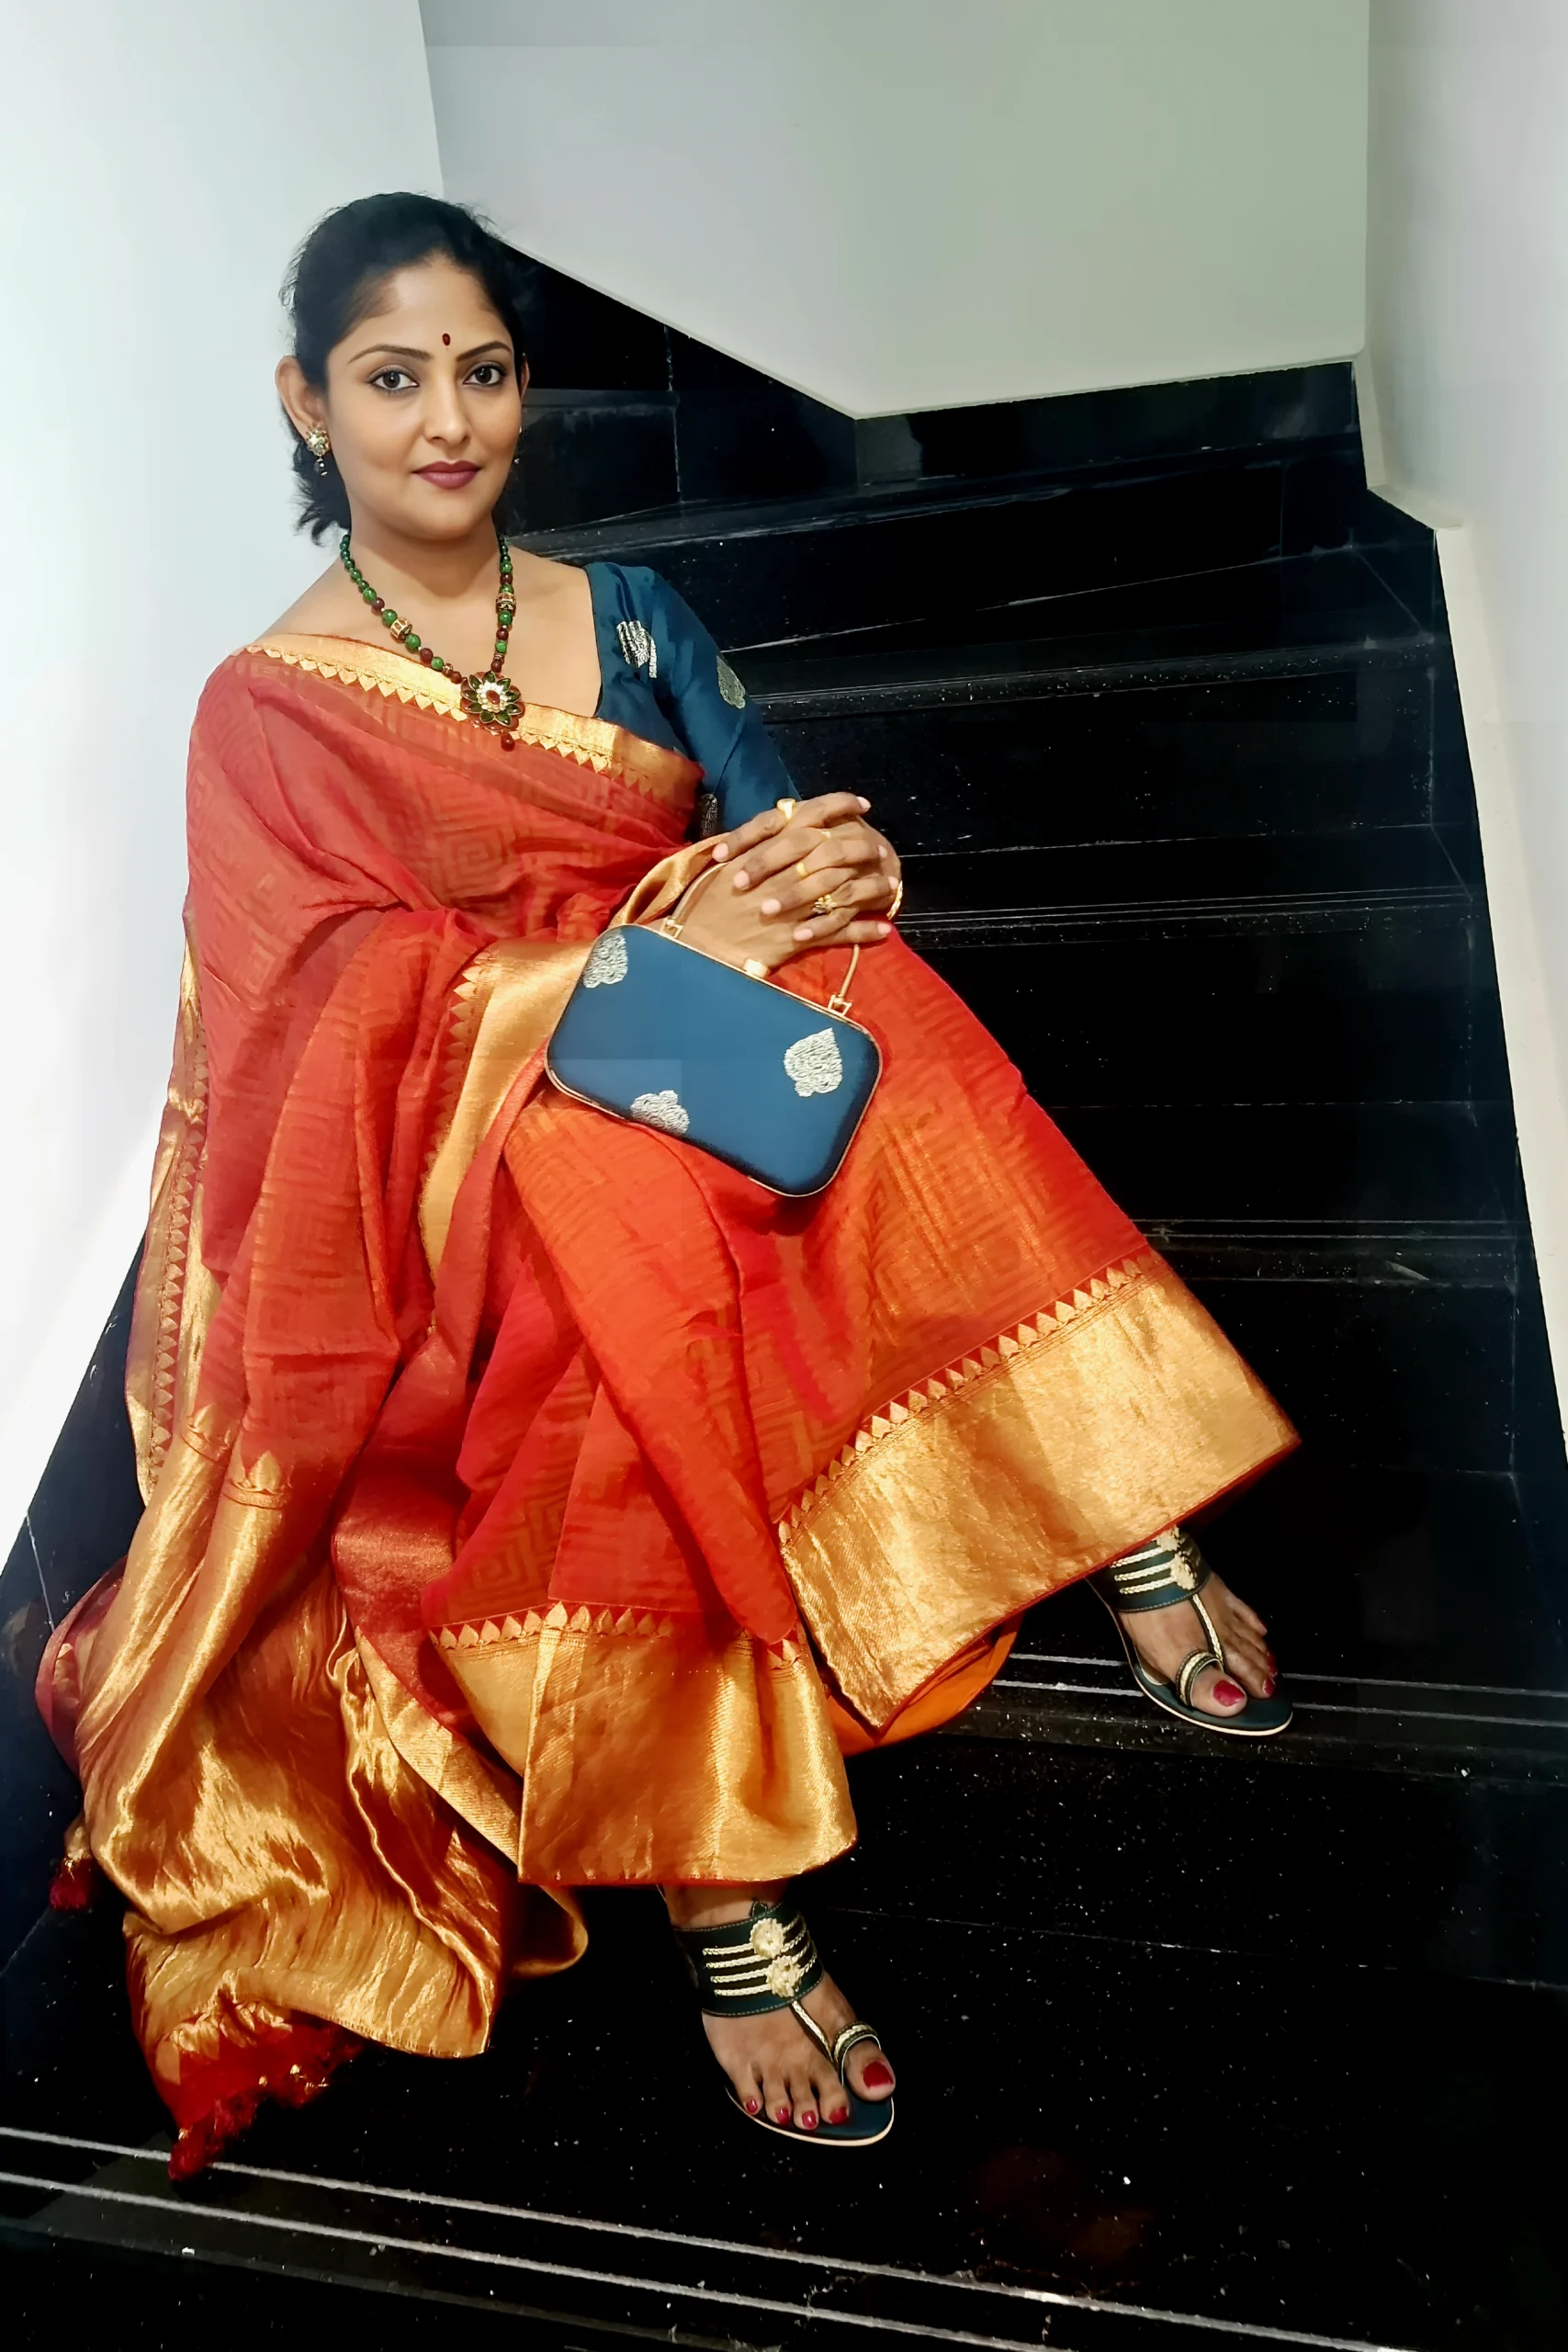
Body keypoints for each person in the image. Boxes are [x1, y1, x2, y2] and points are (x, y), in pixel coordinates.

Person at [38, 195, 1292, 2173]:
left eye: (481, 371)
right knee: (605, 1228)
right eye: (391, 377)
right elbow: (313, 1022)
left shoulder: (628, 615)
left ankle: (1100, 1493)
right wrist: (621, 966)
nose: (446, 419)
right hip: (463, 1163)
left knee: (884, 1005)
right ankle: (724, 1887)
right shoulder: (262, 708)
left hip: (681, 1043)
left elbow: (768, 830)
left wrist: (829, 875)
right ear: (305, 400)